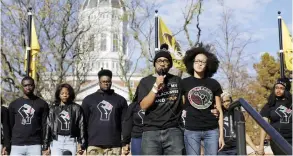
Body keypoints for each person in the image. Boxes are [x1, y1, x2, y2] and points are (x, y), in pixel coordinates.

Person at [137, 44, 185, 155]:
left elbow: (186, 101)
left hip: (173, 131)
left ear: (170, 64)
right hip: (151, 132)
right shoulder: (145, 81)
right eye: (159, 60)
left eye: (166, 61)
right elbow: (143, 105)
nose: (162, 63)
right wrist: (155, 87)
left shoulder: (178, 81)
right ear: (154, 63)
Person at [181, 44, 225, 155]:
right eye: (197, 61)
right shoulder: (184, 83)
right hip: (191, 129)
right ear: (191, 63)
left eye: (203, 62)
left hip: (211, 130)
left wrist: (221, 136)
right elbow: (180, 106)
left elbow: (219, 110)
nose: (200, 64)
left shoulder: (214, 84)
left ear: (208, 65)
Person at [82, 69, 128, 155]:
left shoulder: (120, 100)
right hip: (94, 143)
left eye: (108, 81)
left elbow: (125, 122)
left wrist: (125, 142)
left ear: (111, 82)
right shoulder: (88, 100)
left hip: (114, 144)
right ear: (99, 82)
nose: (106, 83)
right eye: (103, 81)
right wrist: (82, 142)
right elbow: (83, 123)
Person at [8, 76, 49, 155]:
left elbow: (45, 125)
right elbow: (10, 125)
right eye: (25, 85)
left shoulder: (42, 104)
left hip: (35, 144)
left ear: (34, 86)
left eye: (30, 85)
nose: (28, 87)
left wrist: (45, 145)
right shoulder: (14, 104)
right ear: (22, 87)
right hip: (17, 144)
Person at [43, 83, 86, 155]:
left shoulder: (77, 108)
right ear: (58, 94)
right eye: (62, 93)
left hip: (71, 141)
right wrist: (45, 145)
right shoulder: (53, 109)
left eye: (67, 93)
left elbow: (81, 126)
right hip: (56, 141)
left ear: (70, 94)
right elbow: (48, 127)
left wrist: (81, 144)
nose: (64, 95)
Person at [258, 78, 292, 155]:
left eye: (281, 88)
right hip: (277, 140)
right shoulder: (269, 104)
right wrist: (261, 145)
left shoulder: (291, 103)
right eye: (276, 88)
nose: (278, 90)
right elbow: (264, 125)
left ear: (286, 90)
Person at [122, 91, 144, 155]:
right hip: (138, 137)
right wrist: (125, 142)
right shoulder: (133, 106)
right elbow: (127, 125)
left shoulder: (156, 104)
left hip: (151, 137)